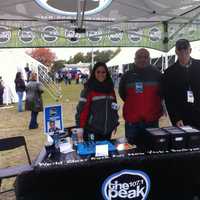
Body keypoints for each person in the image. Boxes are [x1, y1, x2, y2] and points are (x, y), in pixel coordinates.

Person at [118, 48, 163, 145]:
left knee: (153, 151)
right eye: (139, 57)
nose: (142, 59)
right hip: (132, 123)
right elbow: (123, 94)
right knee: (132, 153)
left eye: (145, 57)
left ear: (149, 59)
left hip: (152, 121)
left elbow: (162, 94)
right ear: (134, 59)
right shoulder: (127, 76)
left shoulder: (157, 75)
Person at [75, 62, 119, 141]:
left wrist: (115, 123)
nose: (101, 74)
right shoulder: (88, 89)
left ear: (107, 73)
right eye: (98, 72)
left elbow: (114, 107)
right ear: (94, 73)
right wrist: (80, 128)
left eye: (103, 72)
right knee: (92, 153)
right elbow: (82, 111)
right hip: (92, 131)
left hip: (107, 131)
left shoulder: (110, 89)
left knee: (106, 153)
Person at [162, 39, 200, 129]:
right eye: (180, 49)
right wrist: (176, 118)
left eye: (185, 48)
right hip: (182, 118)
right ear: (176, 52)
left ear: (190, 50)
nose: (183, 51)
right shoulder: (169, 73)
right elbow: (169, 99)